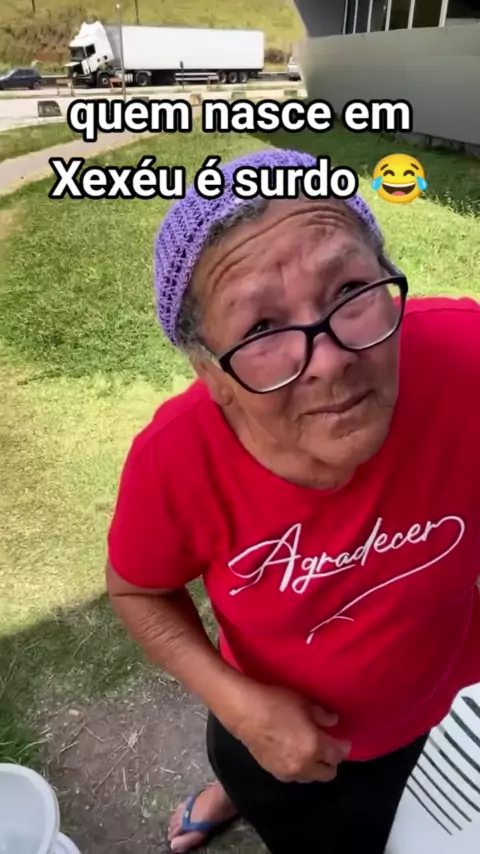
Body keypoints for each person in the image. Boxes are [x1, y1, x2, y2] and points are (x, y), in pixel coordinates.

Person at [106, 147, 480, 854]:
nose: (331, 360)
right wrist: (240, 708)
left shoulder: (465, 354)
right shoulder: (175, 462)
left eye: (349, 290)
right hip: (287, 740)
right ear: (212, 375)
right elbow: (137, 590)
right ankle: (234, 789)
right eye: (260, 329)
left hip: (449, 705)